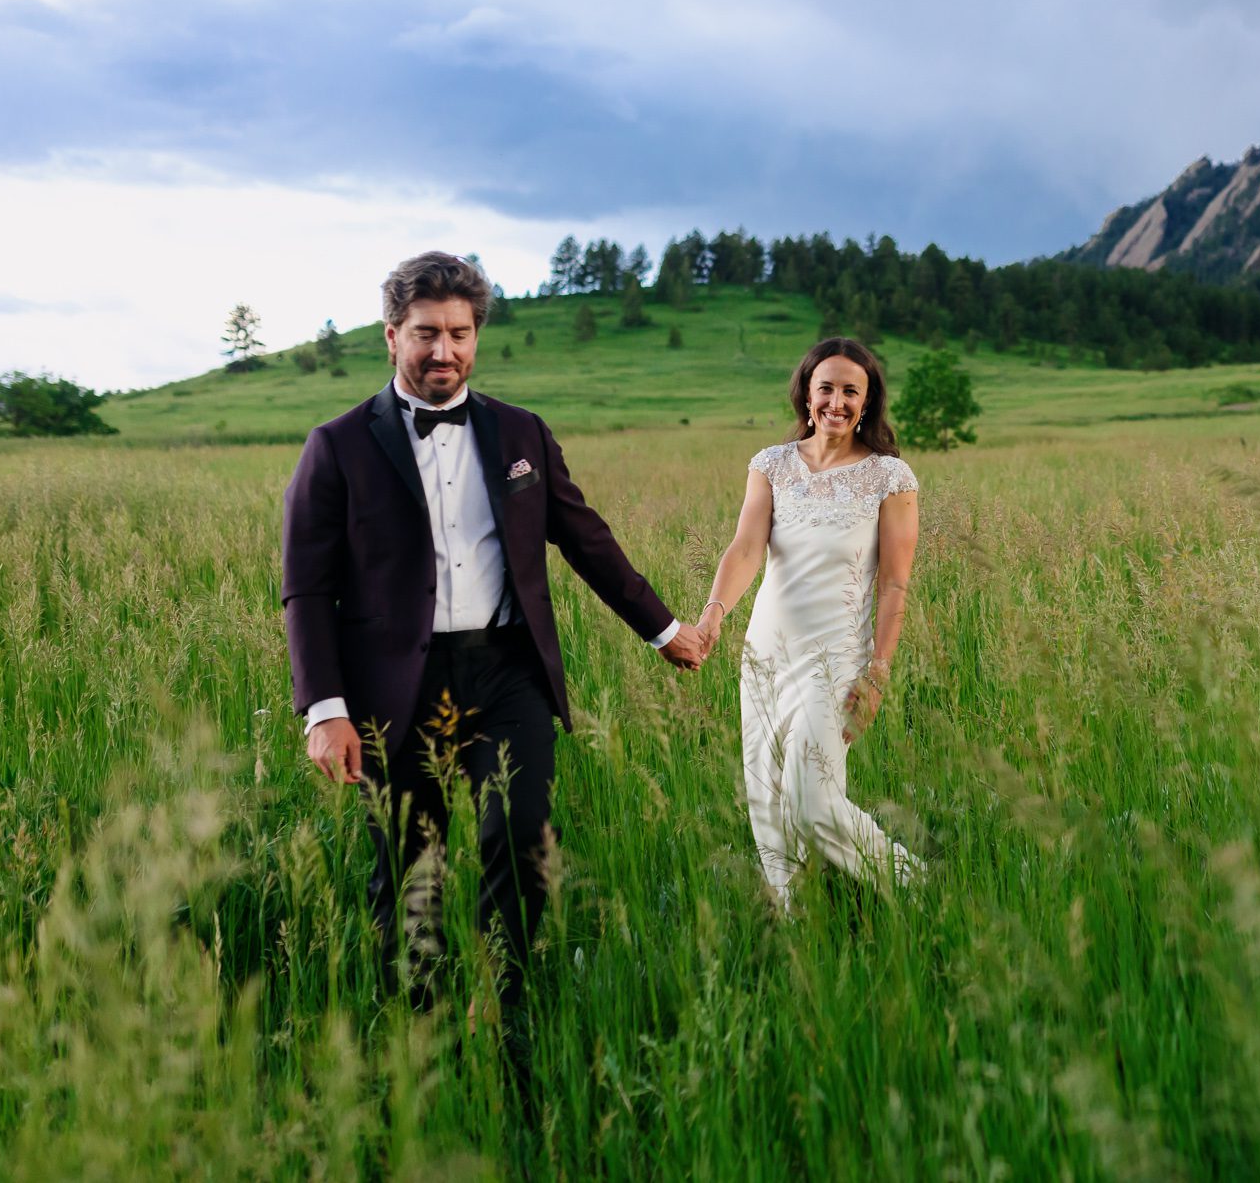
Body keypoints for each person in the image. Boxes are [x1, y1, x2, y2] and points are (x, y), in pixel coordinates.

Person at [280, 251, 708, 1049]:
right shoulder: (335, 446)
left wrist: (663, 629)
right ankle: (421, 1030)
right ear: (391, 336)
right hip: (393, 688)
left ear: (476, 336)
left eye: (459, 333)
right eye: (425, 333)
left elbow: (585, 539)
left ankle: (506, 1006)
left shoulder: (521, 432)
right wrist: (325, 709)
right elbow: (306, 588)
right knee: (411, 864)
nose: (443, 350)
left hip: (508, 671)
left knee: (520, 833)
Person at [697, 337, 924, 906]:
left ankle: (918, 887)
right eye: (826, 388)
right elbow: (746, 547)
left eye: (851, 391)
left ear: (867, 402)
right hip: (765, 653)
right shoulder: (771, 465)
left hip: (835, 659)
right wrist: (714, 612)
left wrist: (878, 672)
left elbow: (895, 584)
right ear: (806, 393)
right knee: (768, 799)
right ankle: (800, 919)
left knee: (812, 801)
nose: (836, 402)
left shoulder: (889, 477)